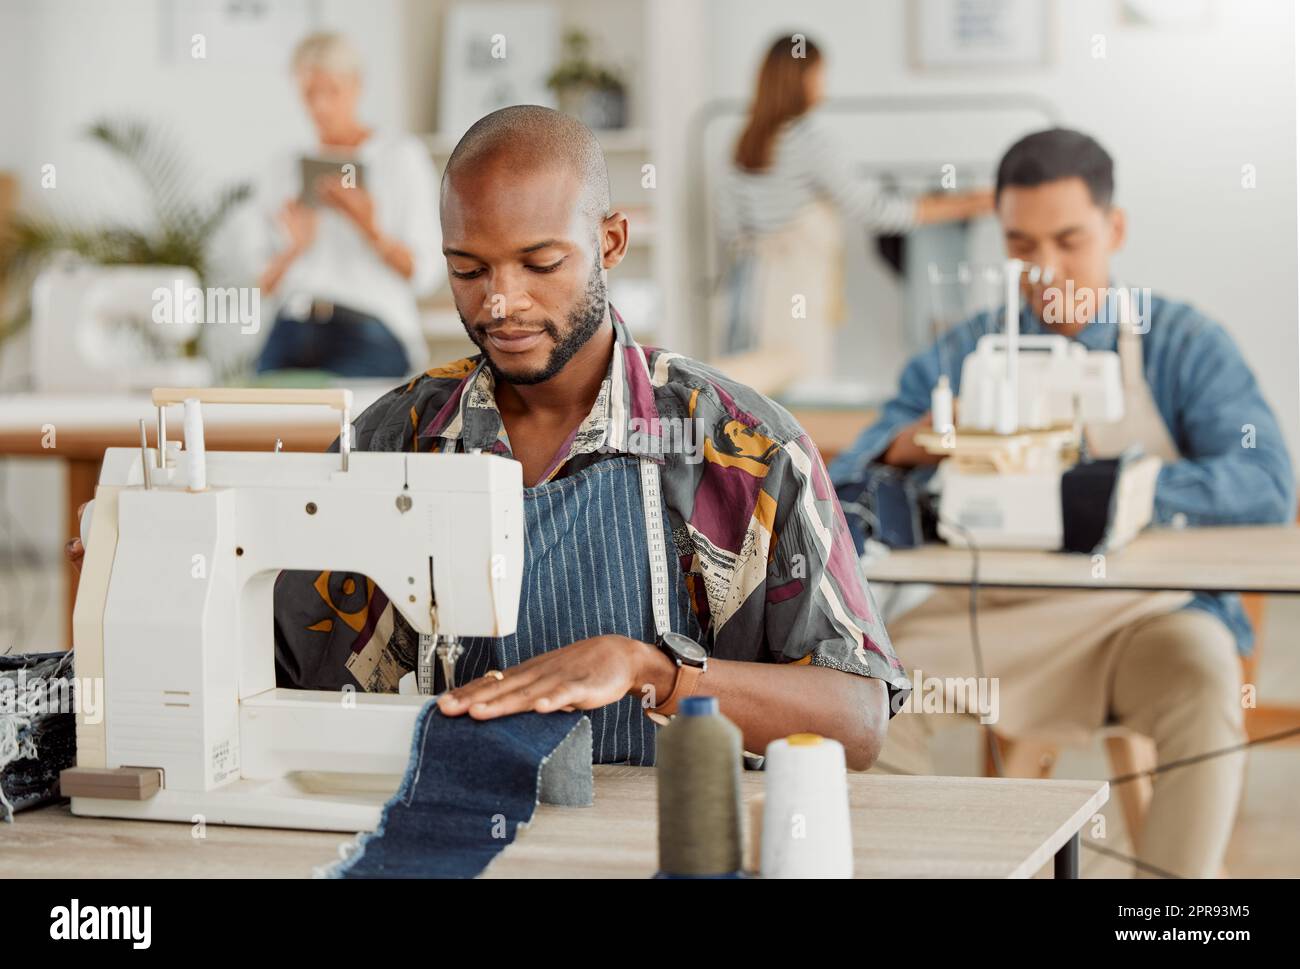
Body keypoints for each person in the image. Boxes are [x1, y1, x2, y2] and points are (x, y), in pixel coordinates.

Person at [267, 105, 911, 769]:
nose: (500, 302)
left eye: (539, 263)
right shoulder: (395, 441)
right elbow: (279, 666)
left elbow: (857, 719)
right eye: (468, 270)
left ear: (611, 241)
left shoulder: (742, 448)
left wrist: (653, 670)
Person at [830, 127, 1296, 877]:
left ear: (1114, 230)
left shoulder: (1183, 343)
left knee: (1206, 676)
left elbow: (1268, 484)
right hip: (993, 617)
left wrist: (1111, 490)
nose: (1044, 270)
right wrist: (911, 445)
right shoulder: (966, 351)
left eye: (1068, 241)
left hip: (1143, 618)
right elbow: (853, 471)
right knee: (870, 695)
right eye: (1021, 245)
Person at [715, 34, 993, 377]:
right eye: (820, 73)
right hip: (797, 295)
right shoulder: (811, 143)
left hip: (751, 294)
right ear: (801, 78)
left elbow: (729, 227)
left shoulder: (743, 143)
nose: (824, 83)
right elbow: (878, 211)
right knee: (800, 397)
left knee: (751, 394)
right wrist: (968, 204)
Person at [251, 32, 441, 377]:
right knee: (256, 414)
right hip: (294, 323)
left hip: (370, 326)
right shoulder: (284, 167)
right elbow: (259, 286)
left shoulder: (400, 158)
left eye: (332, 91)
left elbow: (425, 274)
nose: (320, 106)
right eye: (310, 93)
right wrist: (294, 249)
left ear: (357, 86)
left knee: (339, 418)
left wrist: (370, 229)